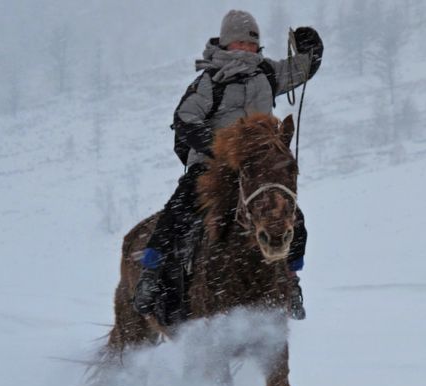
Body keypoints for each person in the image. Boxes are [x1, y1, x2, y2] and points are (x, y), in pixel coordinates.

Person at [132, 10, 323, 326]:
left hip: (257, 167)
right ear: (224, 42)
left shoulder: (267, 73)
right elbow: (185, 118)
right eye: (238, 42)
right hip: (211, 164)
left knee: (292, 216)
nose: (245, 49)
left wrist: (312, 51)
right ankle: (151, 273)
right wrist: (218, 146)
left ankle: (290, 279)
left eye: (251, 44)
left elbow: (299, 72)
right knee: (181, 208)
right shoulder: (210, 80)